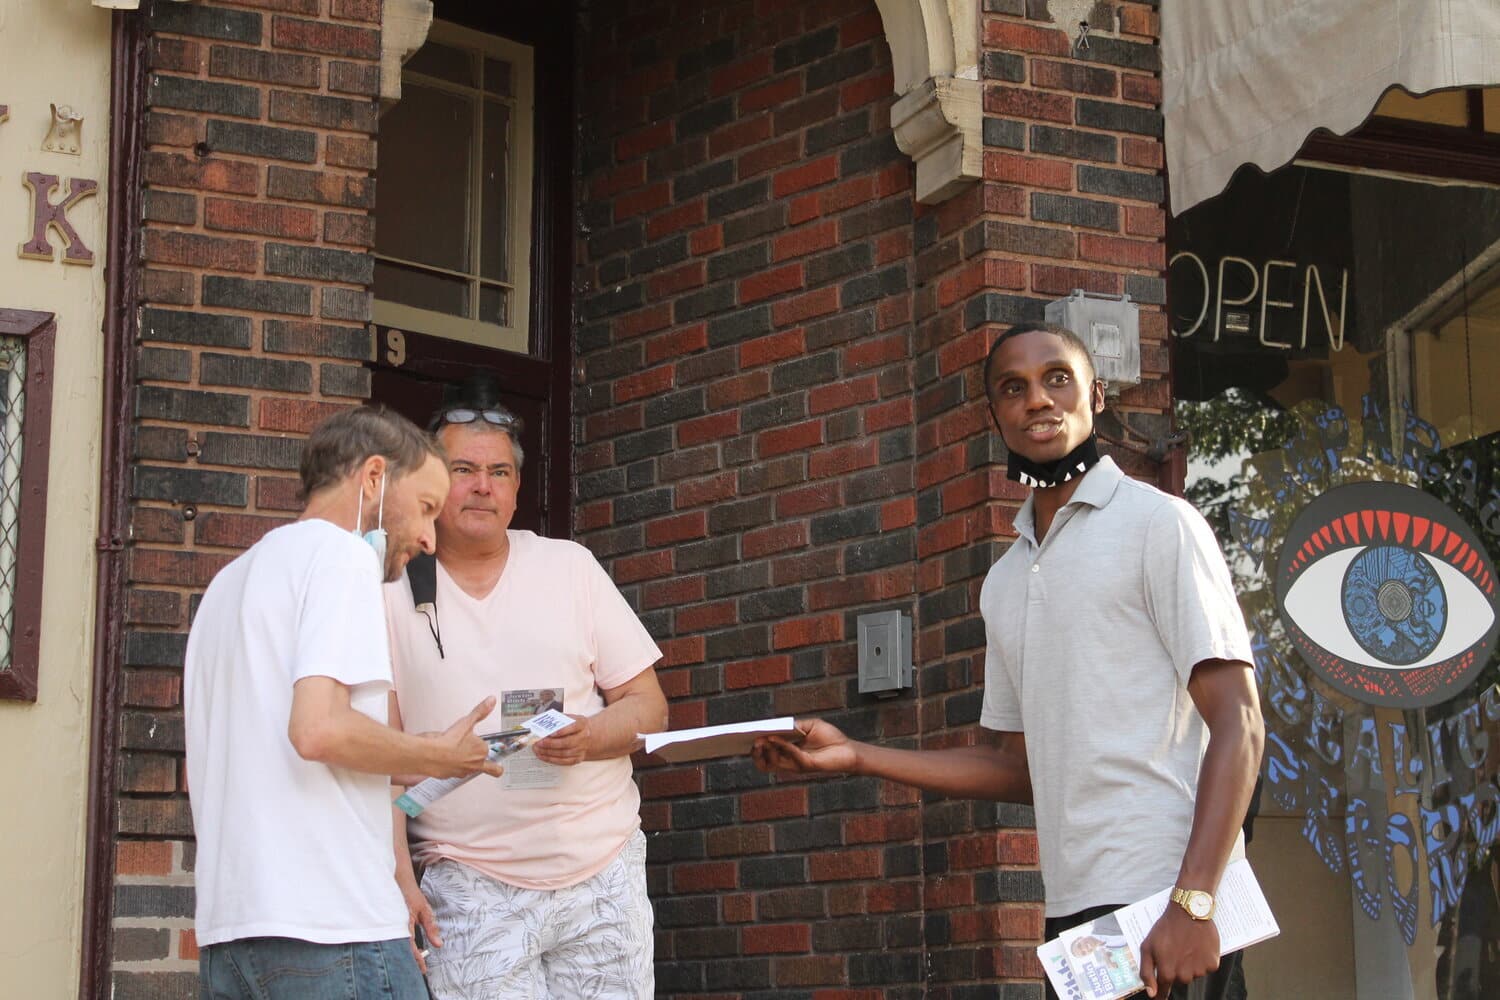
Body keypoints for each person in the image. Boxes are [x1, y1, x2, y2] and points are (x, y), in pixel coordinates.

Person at [754, 322, 1266, 1000]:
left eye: (1057, 378)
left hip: (1165, 897)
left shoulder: (1159, 525)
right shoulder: (1005, 579)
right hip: (1079, 912)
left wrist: (1194, 902)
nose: (1038, 400)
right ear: (993, 413)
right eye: (1013, 388)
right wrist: (857, 756)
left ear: (1096, 393)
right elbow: (1013, 765)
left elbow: (1241, 723)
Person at [184, 405, 505, 1000]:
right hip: (335, 932)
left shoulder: (228, 584)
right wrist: (436, 759)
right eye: (428, 507)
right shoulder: (340, 557)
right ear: (375, 479)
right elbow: (318, 730)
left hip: (231, 939)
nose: (431, 538)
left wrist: (429, 752)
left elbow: (269, 751)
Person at [384, 378, 668, 999]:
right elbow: (378, 763)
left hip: (601, 873)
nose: (482, 486)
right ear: (430, 484)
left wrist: (590, 736)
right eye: (462, 469)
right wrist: (399, 878)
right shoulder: (392, 592)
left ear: (516, 491)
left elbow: (650, 707)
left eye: (498, 472)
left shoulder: (570, 567)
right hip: (468, 882)